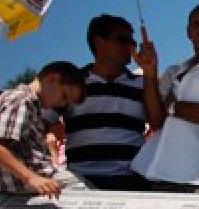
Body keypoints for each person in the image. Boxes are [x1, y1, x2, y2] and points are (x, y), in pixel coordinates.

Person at [63, 14, 165, 190]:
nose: (130, 47)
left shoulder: (141, 84)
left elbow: (157, 124)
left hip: (130, 180)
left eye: (132, 42)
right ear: (99, 42)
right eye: (123, 40)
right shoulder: (72, 83)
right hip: (80, 183)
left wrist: (150, 72)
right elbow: (44, 122)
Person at [131, 4, 199, 192]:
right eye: (196, 24)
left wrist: (173, 107)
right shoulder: (174, 71)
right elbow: (157, 121)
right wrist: (150, 73)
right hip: (160, 172)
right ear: (188, 32)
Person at [0, 62, 85, 198]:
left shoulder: (28, 104)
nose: (62, 104)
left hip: (31, 181)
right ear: (52, 79)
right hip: (31, 182)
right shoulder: (21, 100)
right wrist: (31, 178)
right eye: (64, 96)